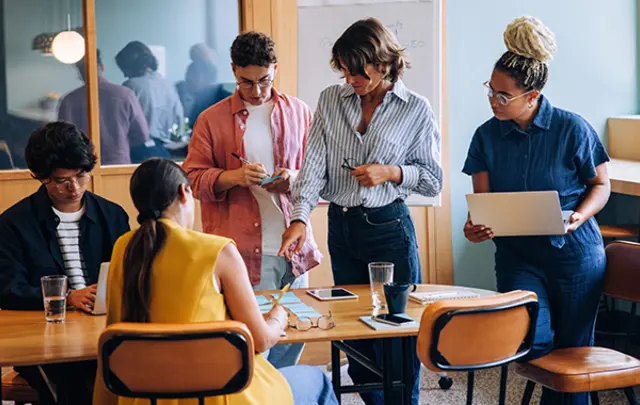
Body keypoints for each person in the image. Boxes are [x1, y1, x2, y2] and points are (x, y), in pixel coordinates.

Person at [279, 18, 443, 405]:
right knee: (354, 334)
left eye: (357, 71)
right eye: (344, 70)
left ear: (382, 64)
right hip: (342, 226)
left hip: (389, 227)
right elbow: (313, 165)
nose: (349, 78)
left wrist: (392, 172)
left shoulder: (416, 109)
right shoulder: (330, 100)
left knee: (397, 334)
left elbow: (433, 181)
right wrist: (300, 217)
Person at [93, 158, 338, 405]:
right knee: (317, 379)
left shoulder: (123, 248)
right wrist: (278, 317)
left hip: (145, 396)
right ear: (183, 192)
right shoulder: (218, 250)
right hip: (217, 395)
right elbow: (262, 339)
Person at [462, 17, 610, 405]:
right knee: (535, 341)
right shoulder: (485, 136)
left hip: (575, 255)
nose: (494, 101)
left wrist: (580, 215)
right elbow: (484, 207)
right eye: (490, 91)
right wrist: (474, 228)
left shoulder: (572, 128)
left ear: (533, 96)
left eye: (503, 95)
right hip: (518, 257)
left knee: (574, 356)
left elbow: (600, 184)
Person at [182, 32, 322, 368]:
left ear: (275, 69)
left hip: (293, 245)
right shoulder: (211, 119)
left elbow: (320, 175)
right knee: (254, 348)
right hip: (242, 251)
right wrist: (233, 177)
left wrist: (293, 178)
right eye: (247, 82)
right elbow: (190, 180)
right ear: (233, 71)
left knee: (294, 336)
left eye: (264, 80)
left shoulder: (299, 112)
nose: (256, 91)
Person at [0, 121, 130, 404]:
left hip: (103, 331)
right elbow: (9, 288)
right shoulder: (14, 224)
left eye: (81, 176)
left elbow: (129, 273)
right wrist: (68, 297)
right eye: (61, 181)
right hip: (45, 338)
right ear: (38, 176)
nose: (74, 187)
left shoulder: (113, 216)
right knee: (74, 383)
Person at [58, 49, 151, 165]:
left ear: (80, 72)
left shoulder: (69, 101)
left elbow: (63, 140)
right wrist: (120, 143)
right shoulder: (126, 95)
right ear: (101, 66)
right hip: (118, 163)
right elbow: (142, 135)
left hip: (83, 166)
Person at [115, 40, 184, 149]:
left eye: (125, 69)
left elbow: (120, 123)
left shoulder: (131, 86)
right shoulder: (168, 85)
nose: (124, 74)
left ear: (132, 65)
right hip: (166, 149)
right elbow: (179, 120)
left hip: (139, 149)